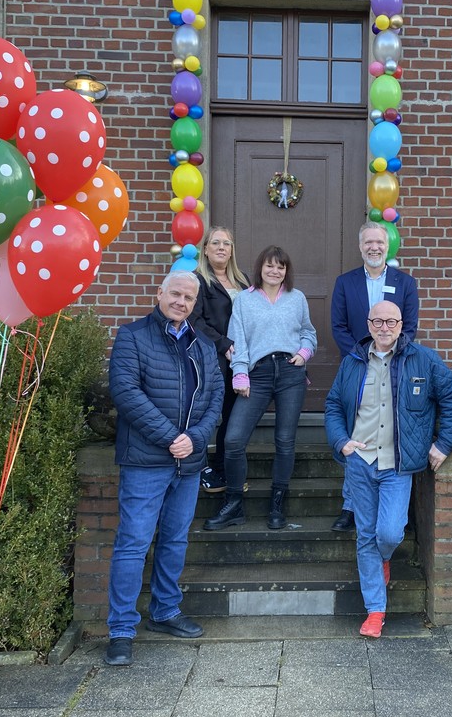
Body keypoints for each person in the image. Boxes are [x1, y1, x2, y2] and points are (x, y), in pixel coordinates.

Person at [103, 270, 224, 667]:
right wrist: (171, 436)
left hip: (187, 463)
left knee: (174, 541)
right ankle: (121, 629)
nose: (181, 302)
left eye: (189, 298)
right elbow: (125, 392)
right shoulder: (132, 336)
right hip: (146, 461)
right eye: (175, 294)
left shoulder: (202, 345)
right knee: (134, 544)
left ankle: (166, 611)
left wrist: (196, 439)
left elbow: (215, 397)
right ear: (160, 293)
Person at [324, 300, 452, 639]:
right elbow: (332, 404)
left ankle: (383, 558)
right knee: (365, 535)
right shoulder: (352, 362)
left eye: (392, 321)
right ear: (369, 325)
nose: (384, 327)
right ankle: (375, 610)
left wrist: (443, 444)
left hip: (397, 465)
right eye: (377, 321)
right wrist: (341, 440)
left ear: (402, 325)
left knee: (388, 533)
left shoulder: (423, 359)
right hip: (360, 461)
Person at [204, 245, 318, 531]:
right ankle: (233, 504)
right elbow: (237, 338)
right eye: (269, 265)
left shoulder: (297, 298)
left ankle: (277, 503)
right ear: (260, 268)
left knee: (284, 441)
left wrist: (304, 353)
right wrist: (239, 373)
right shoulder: (245, 299)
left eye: (280, 266)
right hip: (258, 374)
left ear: (286, 271)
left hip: (291, 373)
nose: (275, 271)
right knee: (232, 440)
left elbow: (308, 332)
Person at [328, 221, 420, 532]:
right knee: (356, 432)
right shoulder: (345, 282)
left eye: (379, 242)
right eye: (368, 243)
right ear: (360, 247)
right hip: (358, 369)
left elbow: (409, 328)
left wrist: (387, 350)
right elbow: (338, 326)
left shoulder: (405, 283)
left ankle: (387, 511)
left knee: (384, 432)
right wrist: (360, 354)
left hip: (393, 367)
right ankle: (350, 505)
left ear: (388, 246)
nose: (374, 248)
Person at [191, 226, 250, 493]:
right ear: (205, 248)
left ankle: (225, 468)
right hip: (213, 360)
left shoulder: (244, 281)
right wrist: (223, 344)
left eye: (227, 243)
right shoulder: (197, 281)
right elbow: (195, 321)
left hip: (240, 362)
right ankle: (200, 467)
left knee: (231, 417)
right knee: (206, 414)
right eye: (215, 243)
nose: (221, 248)